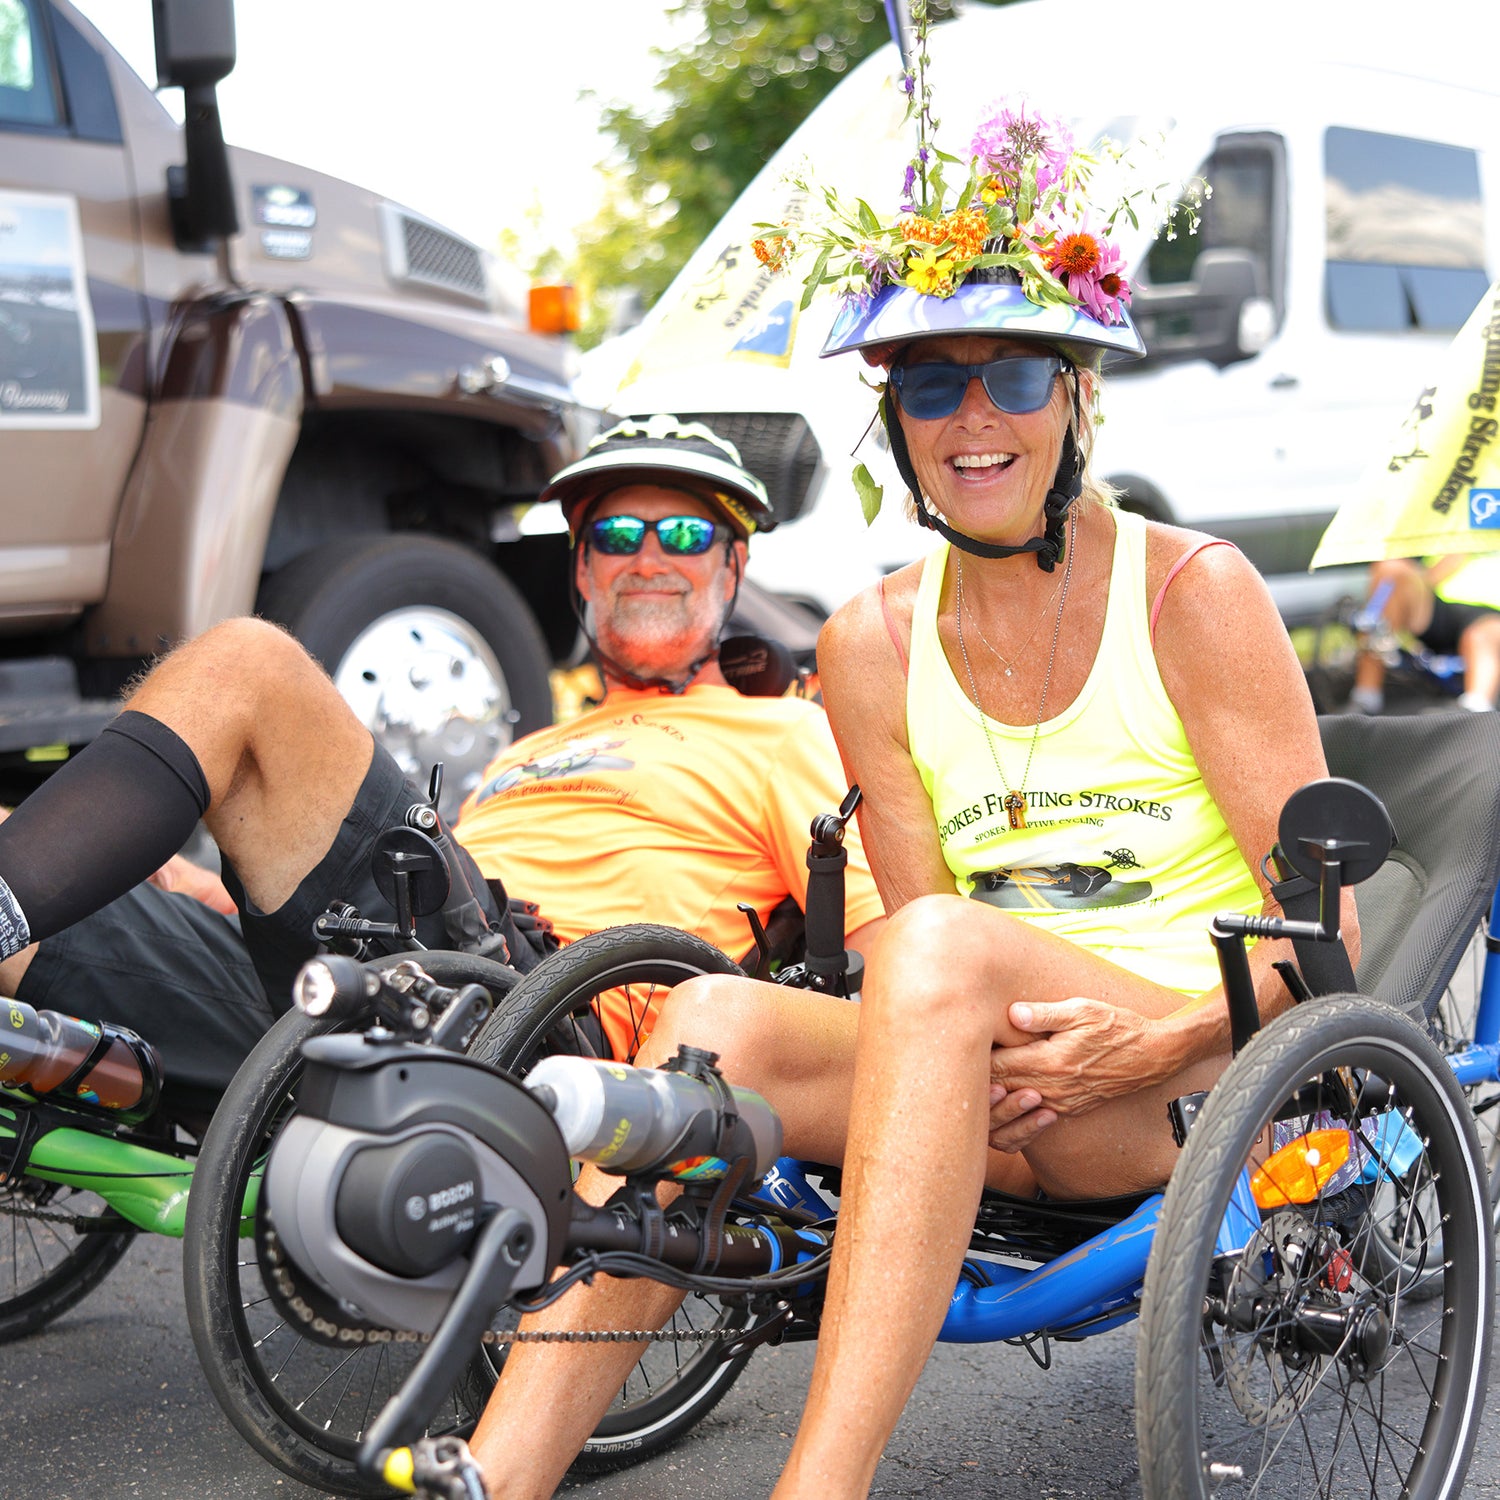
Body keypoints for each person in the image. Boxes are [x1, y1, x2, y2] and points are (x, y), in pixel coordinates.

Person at [467, 93, 1352, 1499]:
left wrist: (1139, 1043)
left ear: (1078, 396)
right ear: (895, 422)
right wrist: (971, 1051)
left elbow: (1325, 943)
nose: (974, 419)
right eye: (932, 387)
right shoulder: (867, 643)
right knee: (705, 1023)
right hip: (984, 1078)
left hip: (1199, 1085)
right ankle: (495, 1477)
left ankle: (820, 1489)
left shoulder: (1196, 594)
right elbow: (921, 962)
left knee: (939, 953)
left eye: (1013, 377)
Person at [0, 416, 884, 1104]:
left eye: (685, 537)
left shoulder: (785, 731)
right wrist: (208, 882)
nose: (647, 558)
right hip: (378, 963)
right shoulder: (530, 747)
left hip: (541, 1011)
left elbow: (880, 957)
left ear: (733, 569)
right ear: (581, 570)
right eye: (616, 536)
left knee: (248, 664)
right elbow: (405, 875)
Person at [1348, 551, 1500, 714]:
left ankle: (1476, 707)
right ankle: (1364, 699)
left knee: (1482, 635)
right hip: (1441, 600)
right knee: (1390, 569)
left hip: (1492, 610)